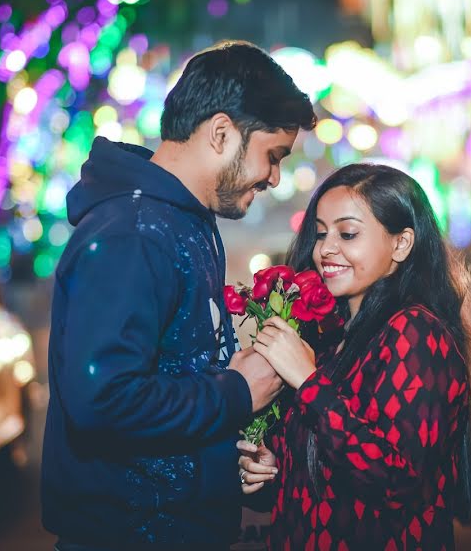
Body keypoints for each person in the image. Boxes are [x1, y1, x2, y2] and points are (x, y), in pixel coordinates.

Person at [42, 41, 316, 550]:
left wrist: (229, 455)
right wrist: (236, 393)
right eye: (272, 155)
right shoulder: (135, 233)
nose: (275, 177)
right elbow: (102, 399)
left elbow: (174, 380)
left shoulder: (182, 220)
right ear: (220, 133)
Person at [238, 163, 471, 550]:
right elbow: (322, 480)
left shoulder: (415, 333)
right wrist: (266, 470)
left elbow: (396, 482)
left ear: (401, 243)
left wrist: (307, 382)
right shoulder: (327, 338)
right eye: (321, 233)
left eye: (348, 233)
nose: (325, 249)